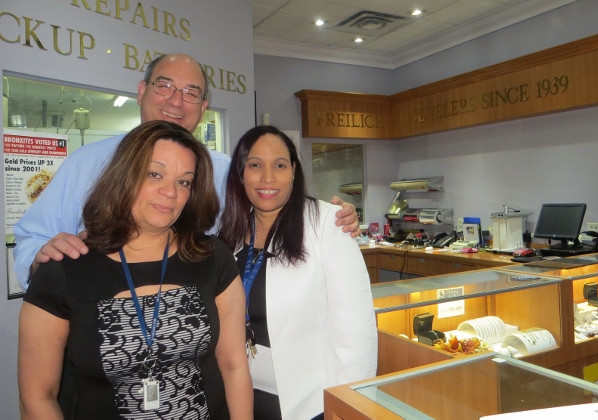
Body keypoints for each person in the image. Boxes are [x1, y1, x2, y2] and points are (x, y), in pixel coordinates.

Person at [12, 53, 359, 289]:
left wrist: (329, 219)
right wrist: (39, 258)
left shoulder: (224, 171)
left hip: (196, 340)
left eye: (191, 93)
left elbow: (272, 215)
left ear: (204, 108)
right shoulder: (87, 163)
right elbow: (31, 240)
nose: (176, 102)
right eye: (164, 86)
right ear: (141, 91)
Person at [18, 120, 252, 419]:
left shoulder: (212, 257)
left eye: (184, 181)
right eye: (155, 174)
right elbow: (37, 397)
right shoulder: (65, 269)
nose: (170, 192)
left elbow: (233, 364)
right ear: (125, 176)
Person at [218, 125, 378, 420]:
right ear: (241, 174)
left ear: (293, 170)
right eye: (255, 165)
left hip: (308, 402)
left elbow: (358, 331)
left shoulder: (327, 222)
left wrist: (349, 407)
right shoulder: (230, 233)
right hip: (243, 397)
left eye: (279, 165)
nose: (268, 177)